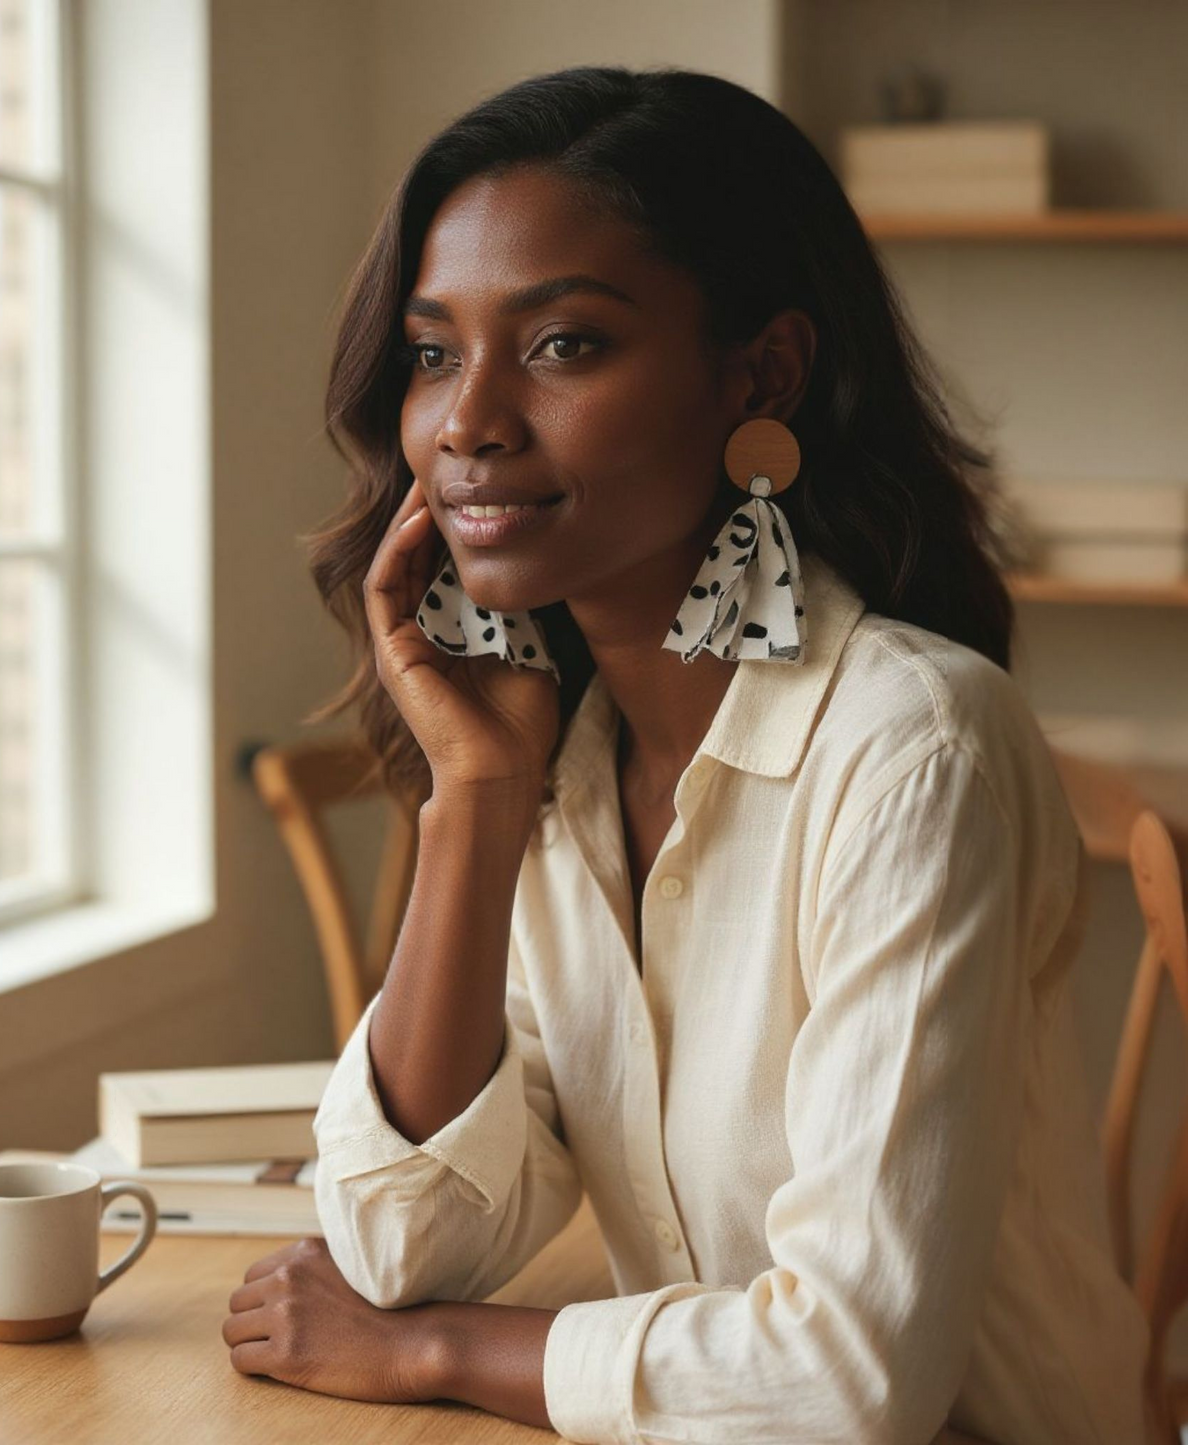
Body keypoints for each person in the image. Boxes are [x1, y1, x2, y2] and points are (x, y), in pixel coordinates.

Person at [220, 65, 1152, 1444]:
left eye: (562, 345)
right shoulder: (560, 755)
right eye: (432, 353)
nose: (468, 421)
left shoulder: (910, 750)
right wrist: (477, 798)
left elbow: (851, 1379)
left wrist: (432, 1358)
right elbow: (401, 1248)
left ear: (759, 374)